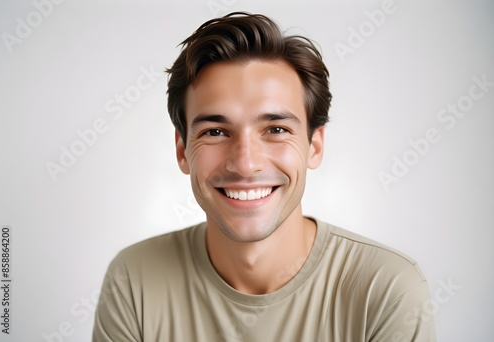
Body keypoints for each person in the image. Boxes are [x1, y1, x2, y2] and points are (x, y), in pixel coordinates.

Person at [93, 12, 436, 341]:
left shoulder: (387, 289)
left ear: (314, 146)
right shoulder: (133, 280)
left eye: (275, 128)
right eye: (215, 132)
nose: (245, 164)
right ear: (183, 151)